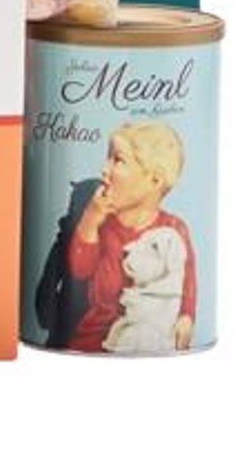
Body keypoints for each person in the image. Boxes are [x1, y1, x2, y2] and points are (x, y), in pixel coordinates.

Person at [67, 121, 196, 353]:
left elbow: (185, 282)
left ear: (154, 181)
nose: (104, 170)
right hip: (95, 341)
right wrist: (90, 220)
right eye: (108, 158)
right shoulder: (103, 225)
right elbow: (79, 269)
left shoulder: (173, 231)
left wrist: (186, 316)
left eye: (118, 160)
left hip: (153, 338)